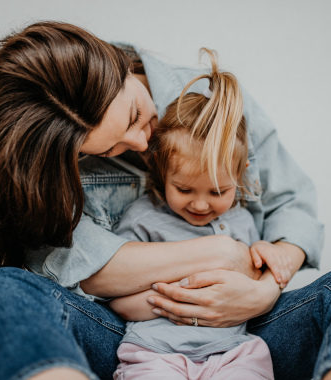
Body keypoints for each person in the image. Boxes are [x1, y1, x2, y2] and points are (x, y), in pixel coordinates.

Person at [0, 21, 331, 380]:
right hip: (132, 338)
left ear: (120, 69)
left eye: (136, 118)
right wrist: (221, 254)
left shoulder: (218, 104)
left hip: (247, 333)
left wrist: (268, 286)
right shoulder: (54, 156)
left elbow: (291, 202)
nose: (142, 147)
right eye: (112, 150)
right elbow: (82, 268)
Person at [109, 49, 274, 380]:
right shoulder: (142, 218)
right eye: (184, 190)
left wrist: (269, 256)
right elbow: (118, 300)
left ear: (241, 174)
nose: (201, 205)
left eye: (217, 192)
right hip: (154, 352)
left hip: (233, 351)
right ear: (161, 170)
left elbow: (255, 281)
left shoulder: (242, 221)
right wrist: (183, 297)